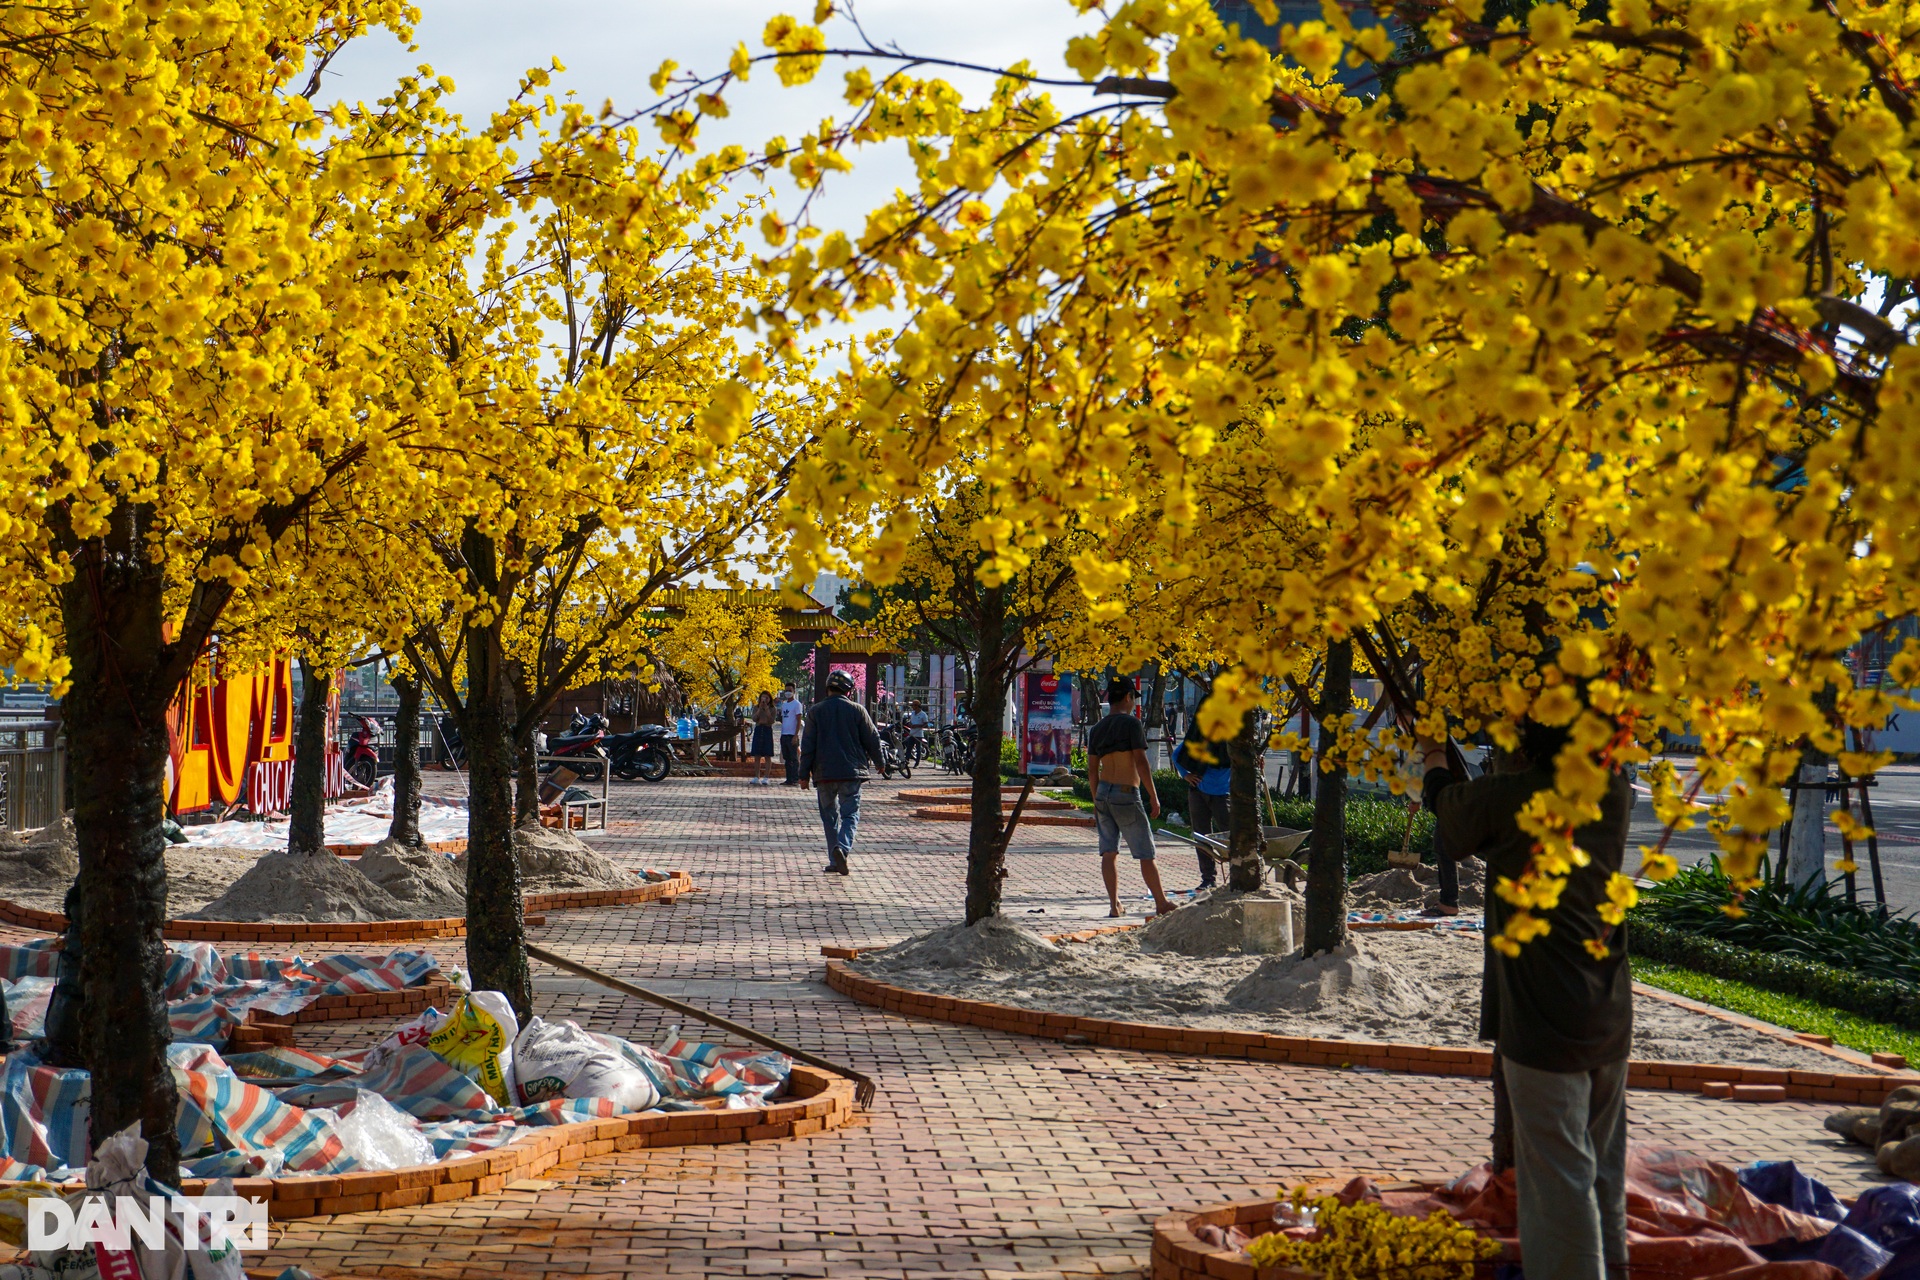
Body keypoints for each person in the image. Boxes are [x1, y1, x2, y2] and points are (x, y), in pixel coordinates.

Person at [1419, 706, 1633, 1280]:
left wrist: (1434, 753)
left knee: (1559, 1179)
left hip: (1544, 1022)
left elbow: (1452, 814)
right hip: (1609, 1014)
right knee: (1603, 1171)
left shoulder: (1517, 799)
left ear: (1526, 745)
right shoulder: (1612, 791)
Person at [1089, 677, 1176, 917]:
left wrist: (1096, 801)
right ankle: (1161, 903)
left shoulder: (1097, 728)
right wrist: (1153, 796)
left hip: (1103, 792)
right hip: (1126, 792)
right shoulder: (1131, 724)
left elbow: (1092, 770)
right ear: (1128, 697)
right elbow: (1141, 762)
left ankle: (1114, 905)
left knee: (1109, 852)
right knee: (1145, 852)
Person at [800, 669, 885, 874]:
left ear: (828, 687)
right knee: (850, 815)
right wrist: (880, 762)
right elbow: (873, 738)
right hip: (851, 772)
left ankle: (834, 858)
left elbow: (808, 745)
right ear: (849, 690)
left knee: (829, 818)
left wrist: (803, 775)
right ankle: (843, 848)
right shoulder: (858, 710)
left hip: (824, 774)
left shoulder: (815, 712)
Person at [1173, 721, 1232, 892]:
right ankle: (1208, 878)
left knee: (1230, 835)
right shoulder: (1200, 739)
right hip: (1198, 792)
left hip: (1222, 795)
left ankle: (1237, 873)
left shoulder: (1231, 742)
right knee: (1201, 836)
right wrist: (1186, 775)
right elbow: (1177, 756)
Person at [749, 691, 778, 786]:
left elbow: (772, 720)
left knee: (767, 755)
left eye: (766, 698)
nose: (764, 700)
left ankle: (766, 777)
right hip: (758, 728)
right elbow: (753, 718)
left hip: (767, 729)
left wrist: (766, 710)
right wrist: (759, 709)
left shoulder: (773, 709)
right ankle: (756, 776)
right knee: (757, 755)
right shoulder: (756, 707)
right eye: (763, 697)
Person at [777, 685, 805, 785]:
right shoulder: (784, 705)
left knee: (794, 758)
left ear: (793, 691)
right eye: (786, 690)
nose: (788, 692)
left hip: (792, 734)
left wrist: (795, 735)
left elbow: (798, 720)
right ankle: (789, 779)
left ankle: (795, 778)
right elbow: (782, 718)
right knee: (786, 758)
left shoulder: (797, 704)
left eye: (790, 690)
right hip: (784, 734)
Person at [906, 700, 930, 764]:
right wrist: (910, 724)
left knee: (918, 749)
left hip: (918, 734)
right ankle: (906, 761)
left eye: (913, 705)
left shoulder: (923, 714)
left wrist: (917, 726)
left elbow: (926, 724)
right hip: (912, 733)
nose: (912, 707)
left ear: (917, 706)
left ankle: (917, 763)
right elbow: (910, 721)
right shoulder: (913, 713)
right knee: (909, 748)